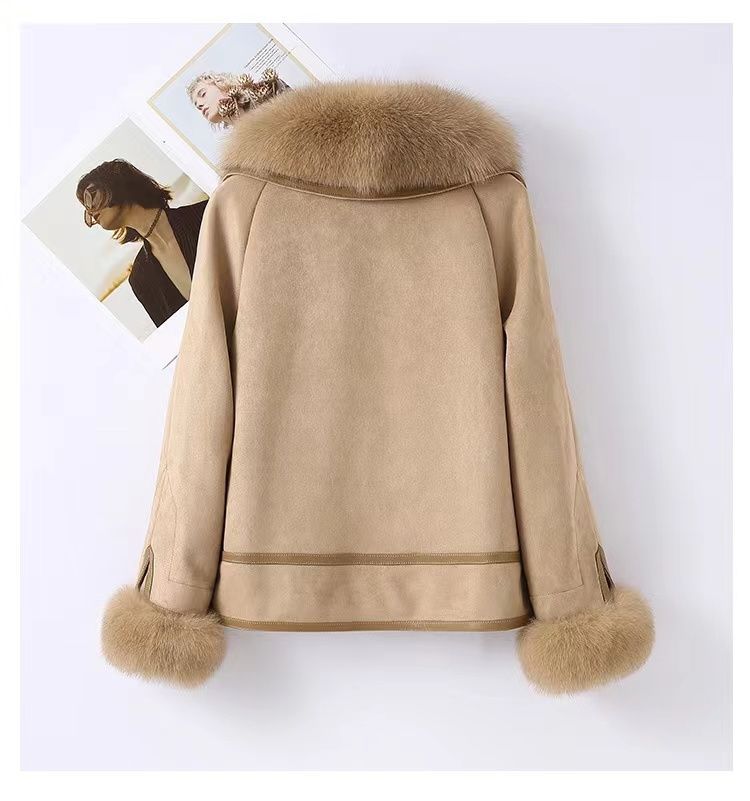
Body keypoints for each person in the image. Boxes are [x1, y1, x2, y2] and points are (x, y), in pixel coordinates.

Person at [76, 160, 208, 327]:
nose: (90, 210)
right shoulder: (140, 278)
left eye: (91, 195)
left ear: (116, 184)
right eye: (85, 206)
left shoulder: (206, 213)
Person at [187, 67, 289, 127]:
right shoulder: (236, 145)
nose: (200, 105)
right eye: (197, 107)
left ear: (220, 83)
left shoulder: (270, 88)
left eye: (203, 94)